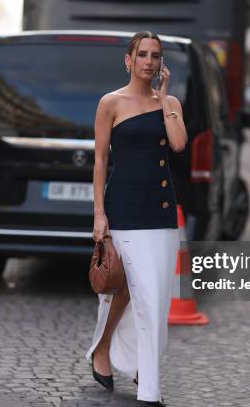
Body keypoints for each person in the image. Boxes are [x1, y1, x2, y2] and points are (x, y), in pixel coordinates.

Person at [86, 31, 188, 406]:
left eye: (155, 55)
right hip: (124, 211)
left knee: (155, 300)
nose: (149, 61)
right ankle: (149, 392)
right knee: (137, 296)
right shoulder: (110, 103)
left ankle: (107, 350)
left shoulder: (169, 102)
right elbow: (100, 161)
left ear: (161, 63)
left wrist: (164, 100)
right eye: (142, 54)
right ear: (129, 60)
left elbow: (178, 144)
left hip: (160, 210)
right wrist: (99, 214)